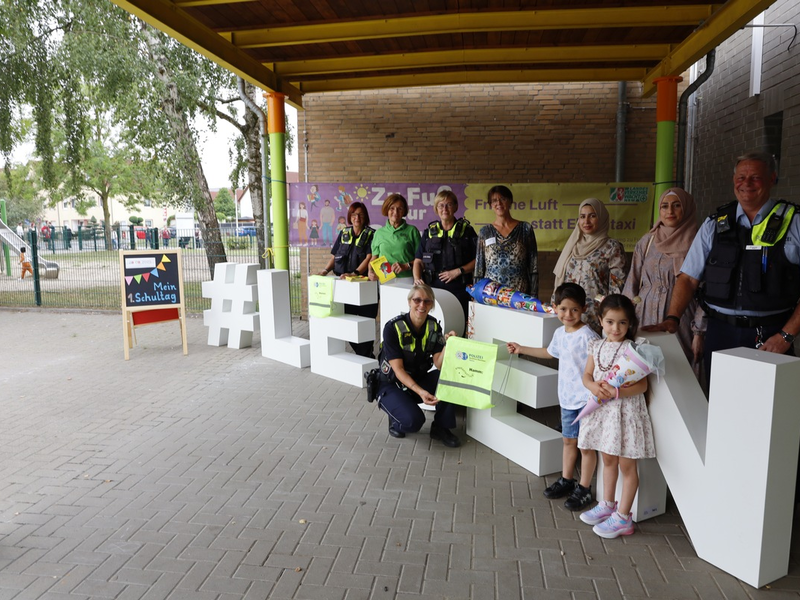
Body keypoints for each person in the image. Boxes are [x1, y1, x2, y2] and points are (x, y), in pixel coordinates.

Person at [645, 152, 800, 378]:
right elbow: (688, 278)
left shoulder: (794, 222)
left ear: (772, 179)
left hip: (771, 333)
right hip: (720, 332)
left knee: (767, 409)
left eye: (755, 177)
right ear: (733, 180)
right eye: (740, 177)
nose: (746, 184)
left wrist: (786, 336)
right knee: (719, 404)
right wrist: (673, 318)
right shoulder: (714, 224)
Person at [506, 283, 599, 510]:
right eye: (563, 309)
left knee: (586, 447)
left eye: (574, 310)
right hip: (567, 400)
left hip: (587, 402)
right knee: (568, 441)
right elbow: (549, 352)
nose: (568, 315)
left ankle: (585, 489)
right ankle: (567, 480)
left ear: (583, 308)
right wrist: (521, 349)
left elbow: (599, 366)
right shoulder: (559, 333)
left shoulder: (589, 337)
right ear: (555, 308)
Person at [577, 295, 655, 538]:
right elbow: (587, 375)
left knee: (626, 465)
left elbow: (642, 386)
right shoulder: (596, 345)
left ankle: (623, 517)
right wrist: (592, 387)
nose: (616, 328)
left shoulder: (633, 349)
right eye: (610, 322)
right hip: (603, 411)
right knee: (607, 458)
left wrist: (617, 391)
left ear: (629, 323)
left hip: (624, 413)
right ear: (600, 320)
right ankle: (607, 504)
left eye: (622, 323)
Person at [623, 188, 705, 371]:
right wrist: (624, 319)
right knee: (643, 366)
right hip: (645, 314)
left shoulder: (698, 242)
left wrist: (699, 332)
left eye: (677, 206)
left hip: (682, 317)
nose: (670, 211)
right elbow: (632, 281)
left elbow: (704, 291)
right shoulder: (648, 241)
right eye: (664, 206)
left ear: (687, 208)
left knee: (679, 367)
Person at [376, 283, 460, 447]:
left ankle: (441, 427)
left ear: (431, 305)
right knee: (413, 422)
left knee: (448, 376)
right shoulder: (392, 328)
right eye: (417, 300)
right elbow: (398, 370)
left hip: (418, 380)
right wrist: (421, 392)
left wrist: (448, 346)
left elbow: (439, 364)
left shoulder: (433, 327)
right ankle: (396, 417)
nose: (422, 305)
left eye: (427, 301)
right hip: (392, 384)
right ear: (409, 302)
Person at [553, 198, 626, 334]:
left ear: (601, 218)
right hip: (571, 316)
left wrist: (611, 317)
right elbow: (562, 279)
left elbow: (617, 286)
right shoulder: (573, 245)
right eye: (582, 216)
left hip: (596, 316)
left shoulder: (612, 247)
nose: (586, 221)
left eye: (592, 216)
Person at [317, 202, 377, 357]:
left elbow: (370, 258)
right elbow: (334, 256)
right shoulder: (344, 232)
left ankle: (366, 355)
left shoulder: (372, 234)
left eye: (360, 214)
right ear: (350, 217)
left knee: (365, 322)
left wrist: (355, 273)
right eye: (354, 214)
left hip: (364, 286)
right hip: (344, 286)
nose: (357, 218)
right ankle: (365, 354)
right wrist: (325, 270)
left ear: (365, 217)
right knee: (348, 323)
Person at [412, 190, 478, 316]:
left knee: (459, 325)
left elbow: (479, 260)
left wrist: (458, 271)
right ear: (436, 208)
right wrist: (417, 279)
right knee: (434, 324)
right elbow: (418, 260)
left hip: (460, 289)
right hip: (433, 289)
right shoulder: (429, 233)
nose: (445, 208)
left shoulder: (467, 231)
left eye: (449, 204)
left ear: (456, 207)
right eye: (441, 205)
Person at [474, 185, 539, 296]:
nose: (498, 203)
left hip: (519, 294)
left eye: (503, 199)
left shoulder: (525, 229)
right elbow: (479, 268)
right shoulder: (485, 232)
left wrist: (533, 295)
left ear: (510, 201)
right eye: (494, 200)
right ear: (490, 205)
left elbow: (533, 266)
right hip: (491, 294)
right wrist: (476, 294)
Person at [369, 193, 420, 280]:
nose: (395, 212)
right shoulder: (379, 233)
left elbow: (420, 259)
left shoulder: (412, 231)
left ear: (404, 211)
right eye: (392, 208)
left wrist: (406, 265)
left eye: (399, 209)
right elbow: (374, 258)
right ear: (387, 210)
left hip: (407, 278)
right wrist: (370, 271)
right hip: (384, 279)